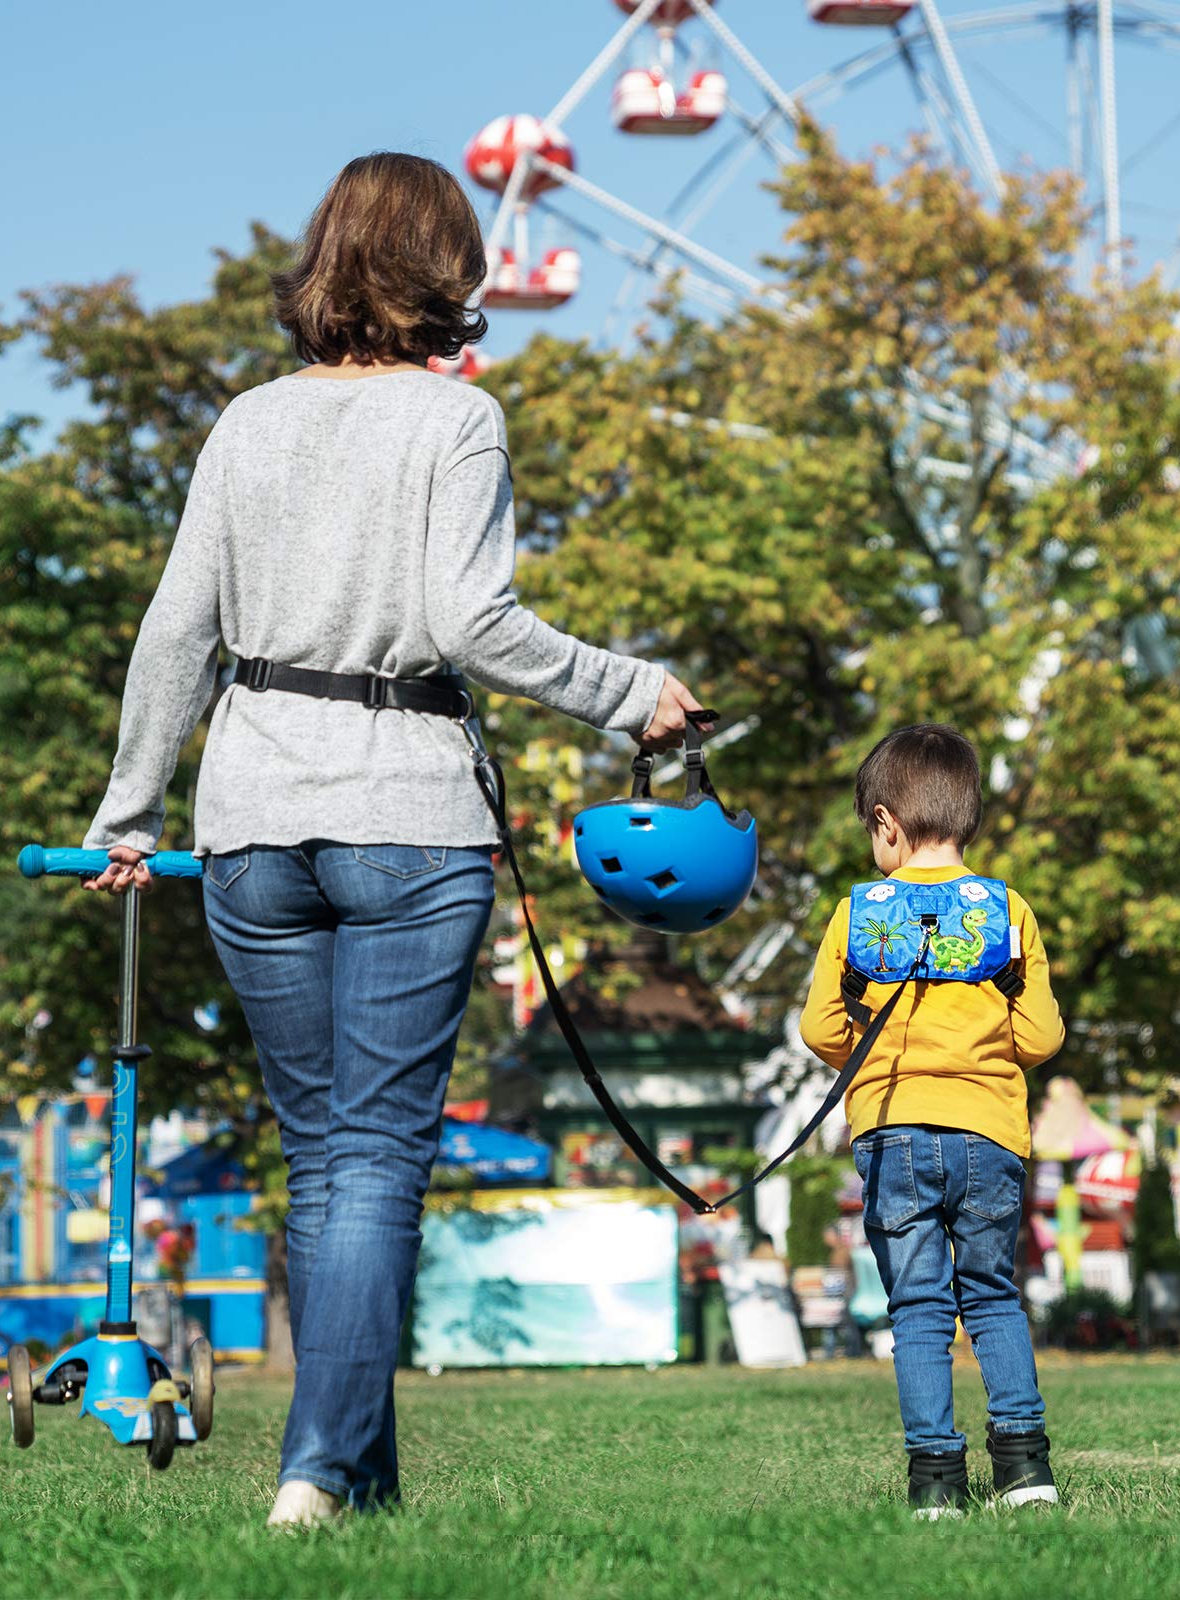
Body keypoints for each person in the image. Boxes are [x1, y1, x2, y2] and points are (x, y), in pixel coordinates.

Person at [78, 151, 707, 1527]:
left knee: (325, 1159)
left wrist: (129, 812)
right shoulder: (454, 423)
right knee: (374, 1160)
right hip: (405, 822)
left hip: (249, 821)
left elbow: (177, 628)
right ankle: (310, 1473)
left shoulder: (245, 422)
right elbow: (472, 624)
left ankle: (356, 1484)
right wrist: (630, 690)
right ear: (449, 271)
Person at [799, 725, 1067, 1518]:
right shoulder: (1006, 908)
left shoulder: (857, 914)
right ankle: (1025, 1472)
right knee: (989, 1296)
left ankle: (937, 1485)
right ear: (968, 816)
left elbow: (819, 1028)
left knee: (918, 1308)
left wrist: (868, 1053)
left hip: (892, 1133)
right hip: (987, 1132)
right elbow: (1041, 1037)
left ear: (885, 823)